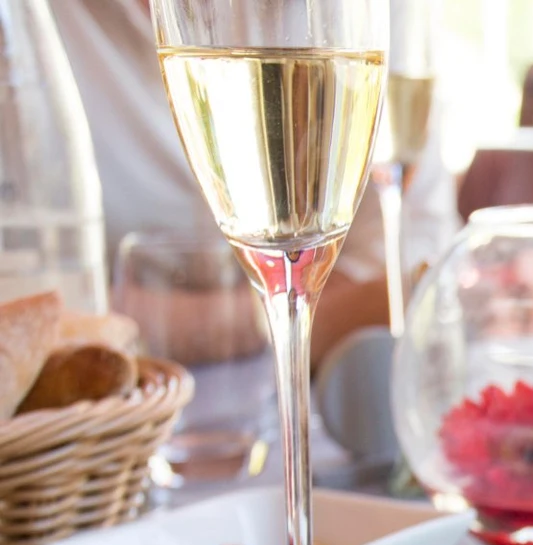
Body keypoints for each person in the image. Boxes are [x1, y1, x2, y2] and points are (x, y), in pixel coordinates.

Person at [52, 0, 455, 365]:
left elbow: (417, 271)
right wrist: (300, 306)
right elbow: (34, 316)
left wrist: (167, 320)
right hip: (113, 429)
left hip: (339, 409)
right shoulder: (29, 25)